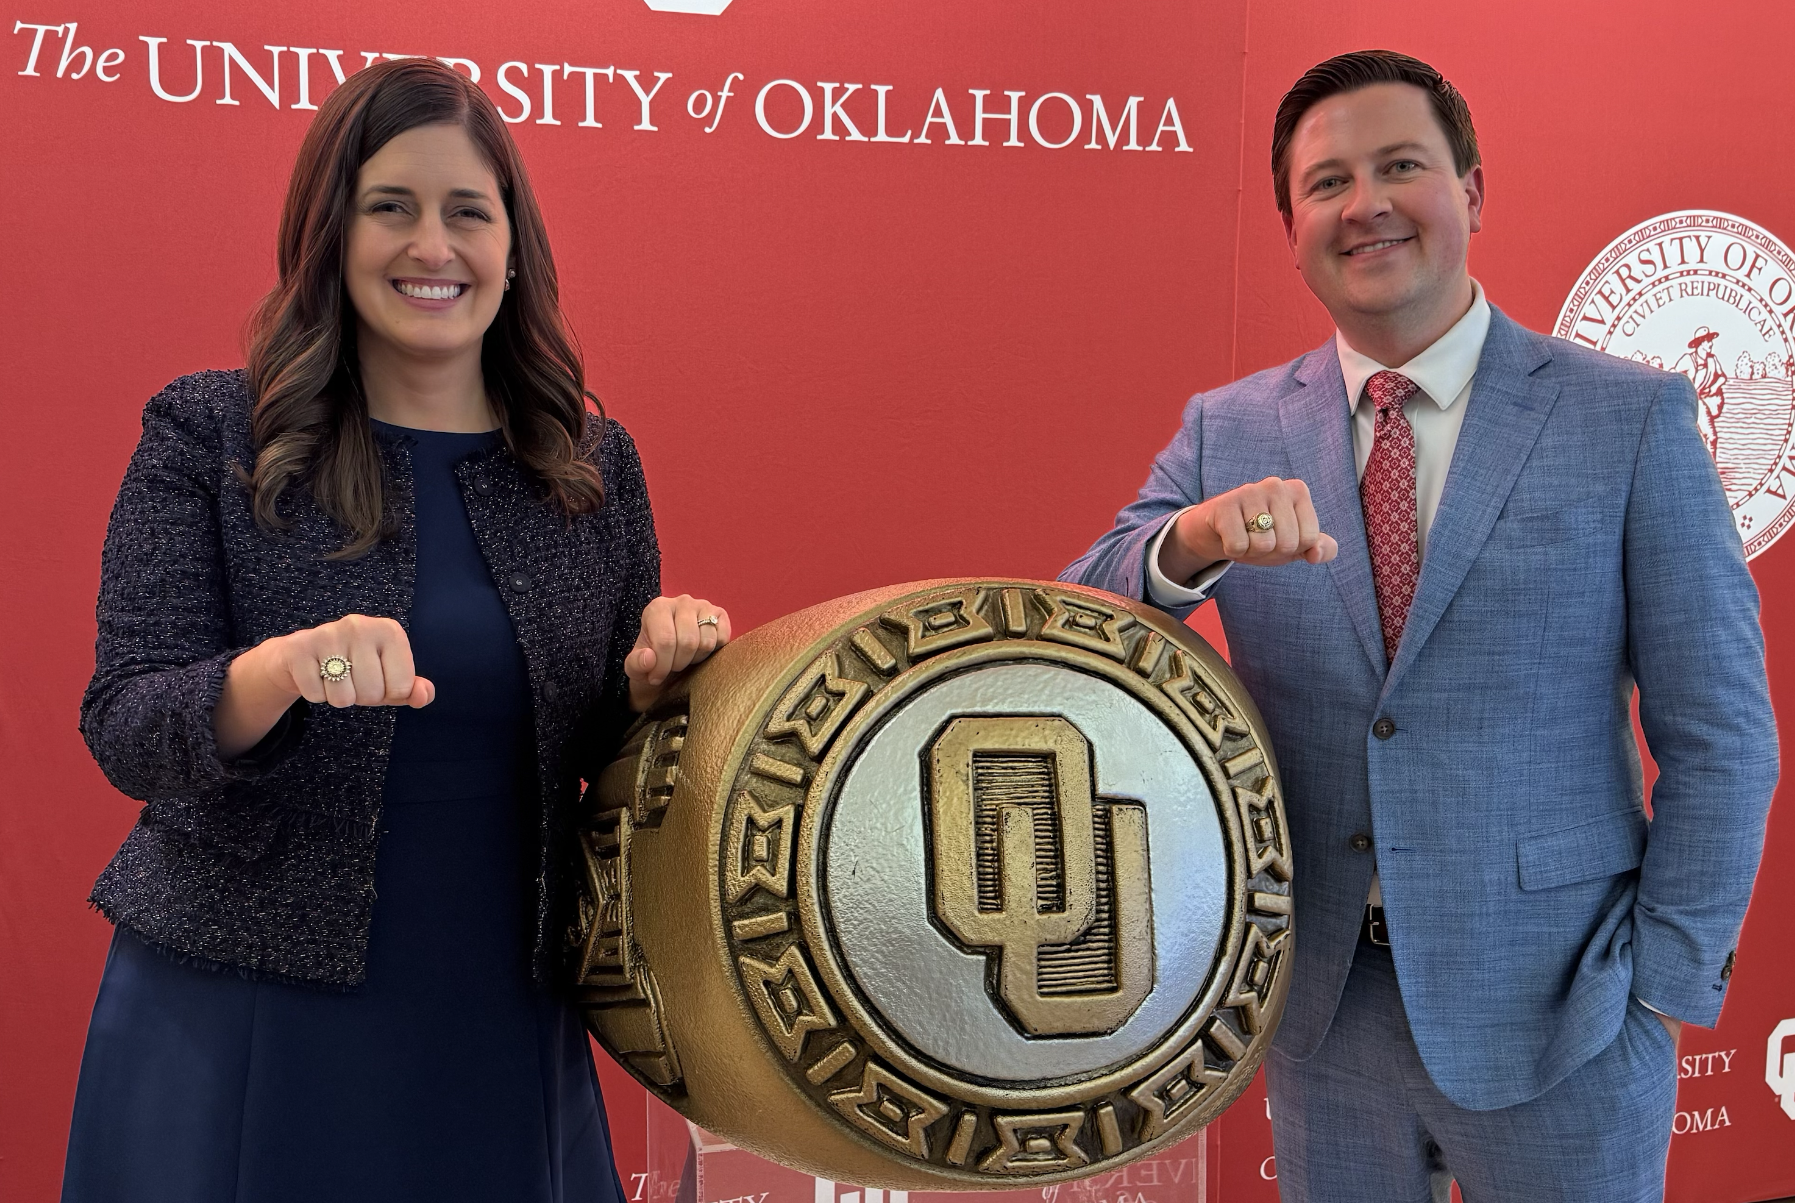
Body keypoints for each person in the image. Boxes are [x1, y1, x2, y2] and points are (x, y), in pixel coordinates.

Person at [1061, 50, 1775, 1203]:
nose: (1367, 204)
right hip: (1321, 1014)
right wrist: (1188, 544)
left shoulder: (1625, 419)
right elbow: (1079, 619)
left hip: (1569, 1014)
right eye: (1328, 181)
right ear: (1291, 224)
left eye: (1401, 166)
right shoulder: (1229, 429)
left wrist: (1662, 982)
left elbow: (1723, 731)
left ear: (1473, 192)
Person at [63, 58, 727, 1202]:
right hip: (242, 1014)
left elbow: (612, 766)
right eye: (392, 208)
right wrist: (281, 671)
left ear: (514, 248)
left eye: (468, 212)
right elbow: (128, 722)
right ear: (331, 232)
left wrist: (667, 675)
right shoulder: (206, 433)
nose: (434, 246)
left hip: (498, 1017)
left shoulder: (589, 470)